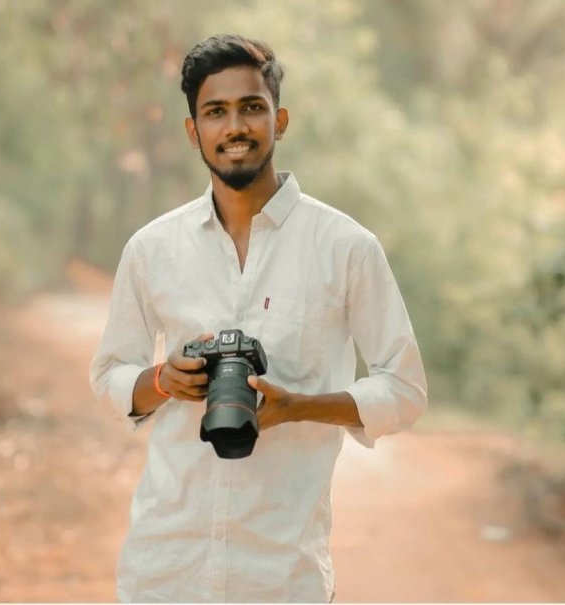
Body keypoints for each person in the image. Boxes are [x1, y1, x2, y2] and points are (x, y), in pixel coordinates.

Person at [90, 33, 427, 603]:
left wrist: (298, 408)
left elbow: (405, 388)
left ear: (281, 119)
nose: (235, 127)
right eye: (215, 112)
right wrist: (163, 382)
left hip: (282, 576)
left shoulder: (345, 247)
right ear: (193, 131)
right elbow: (110, 377)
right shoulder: (152, 249)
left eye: (252, 107)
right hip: (164, 568)